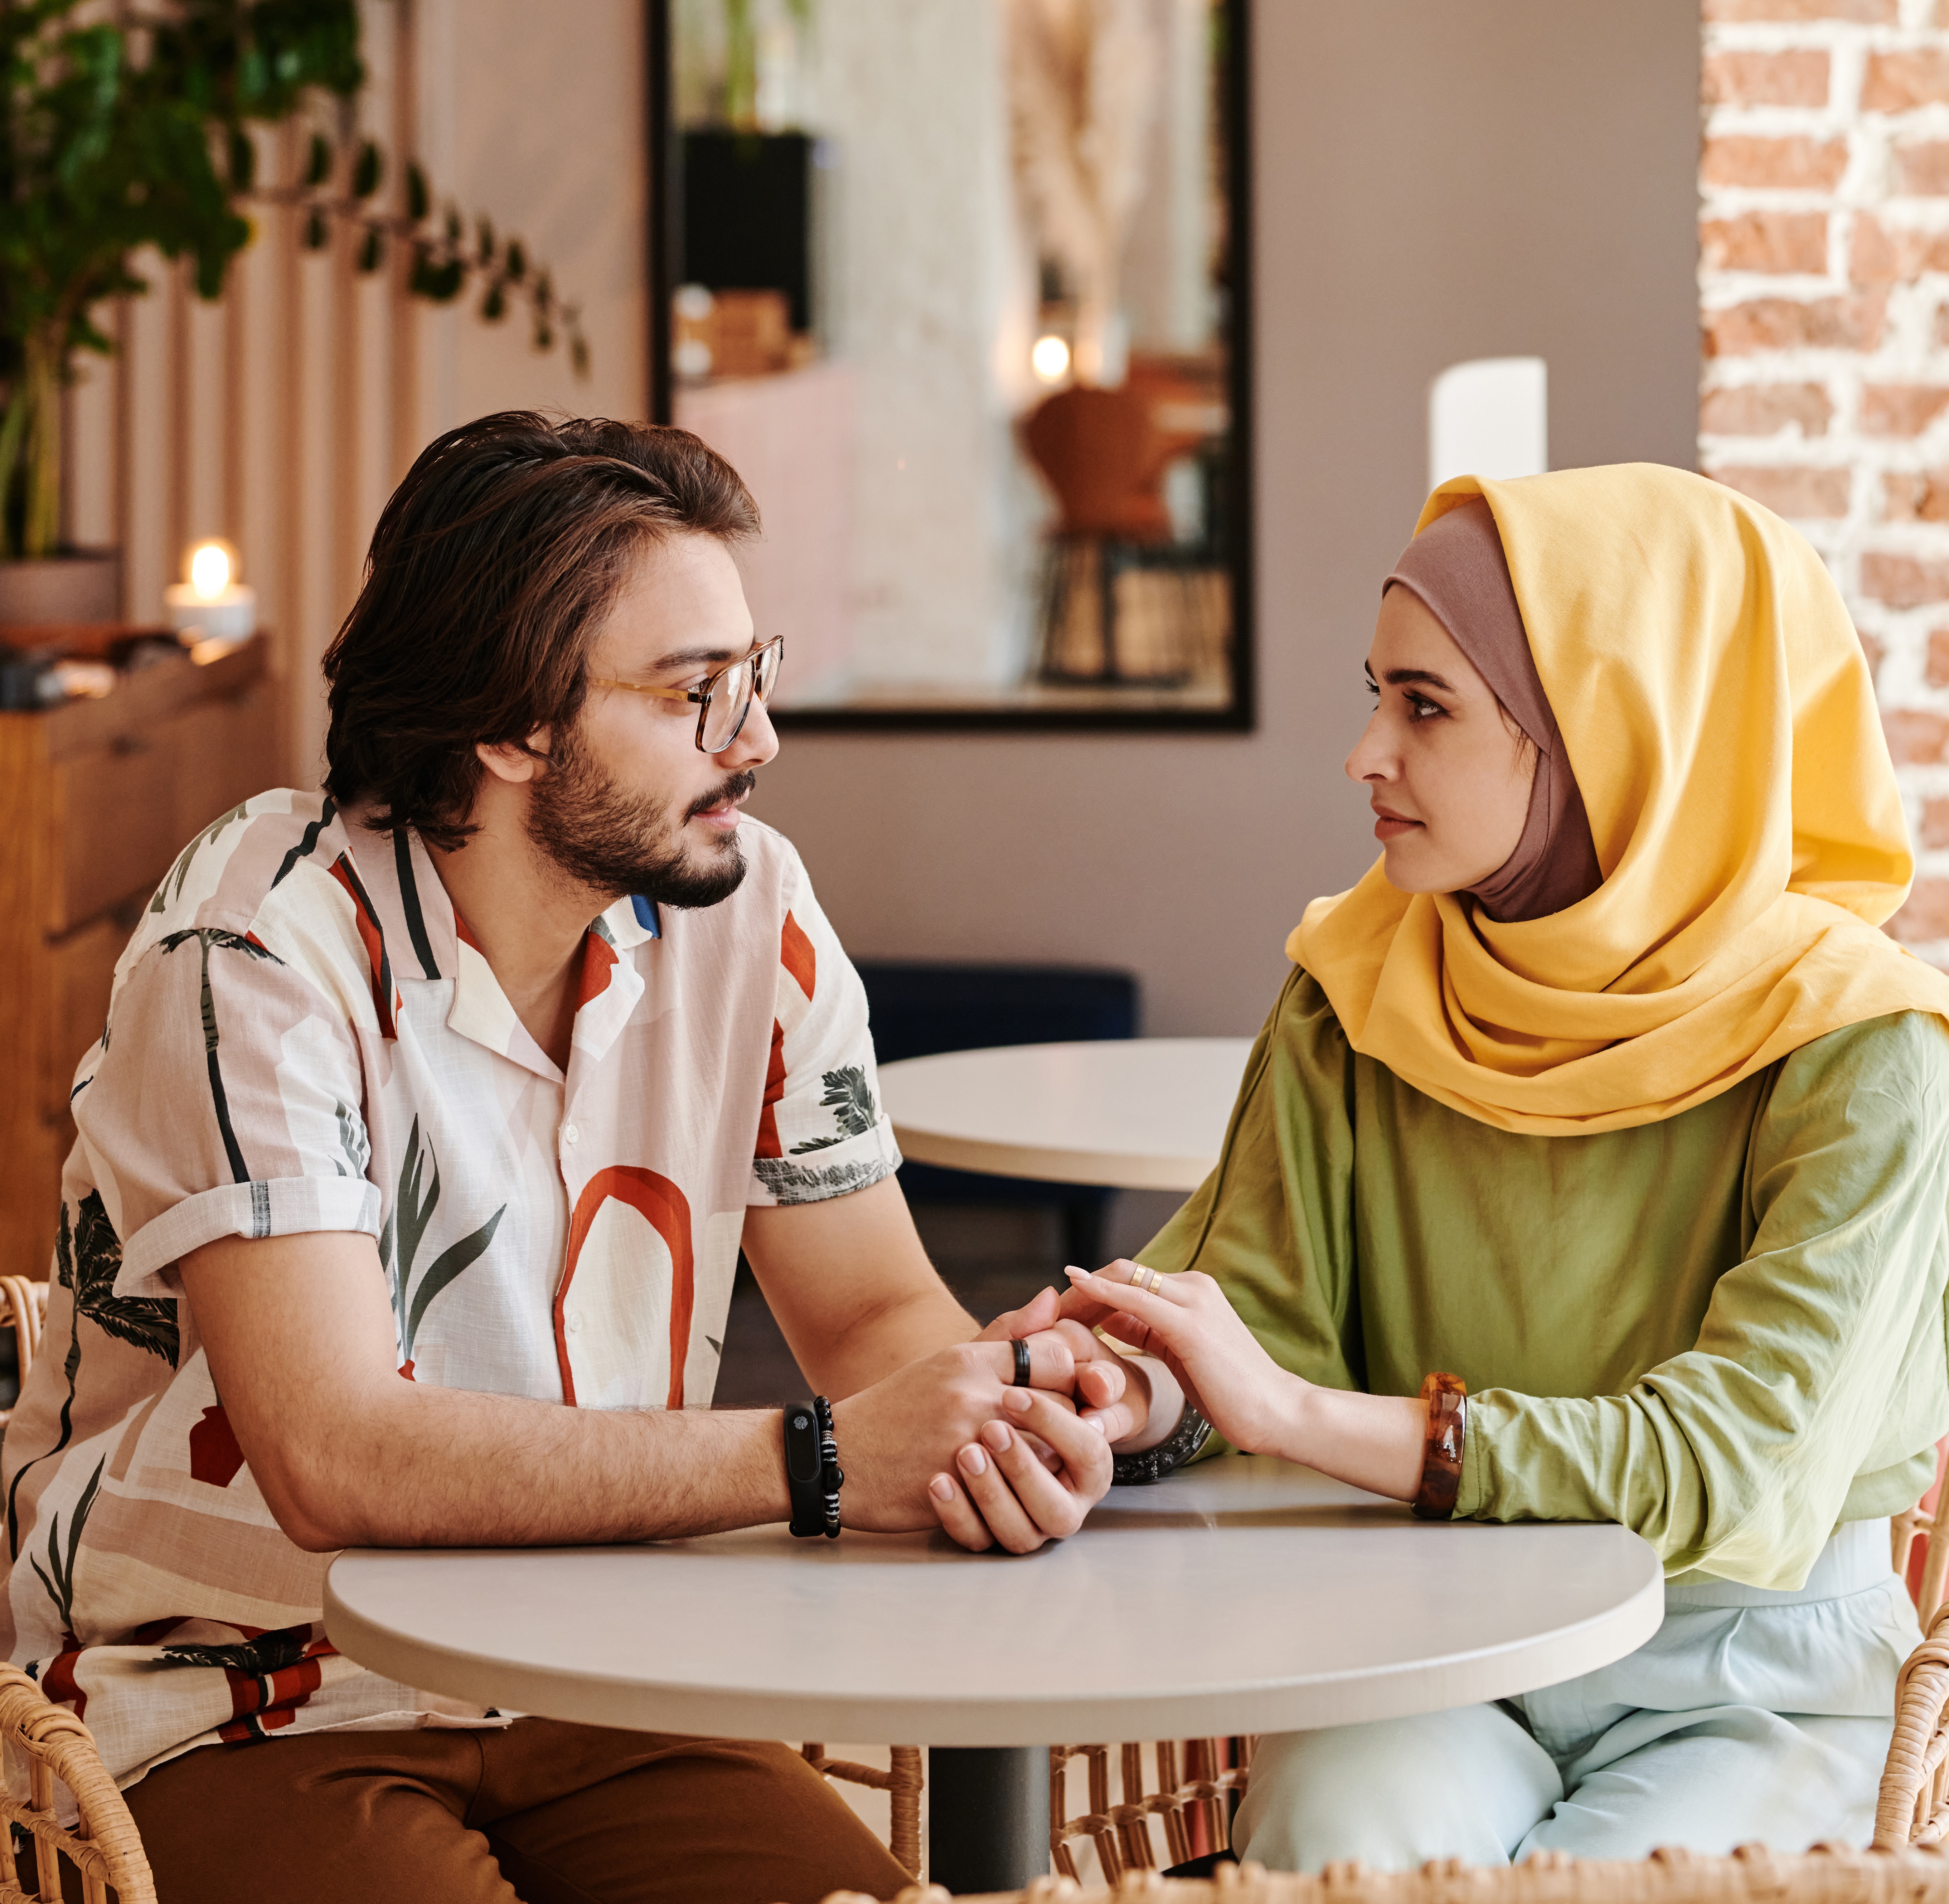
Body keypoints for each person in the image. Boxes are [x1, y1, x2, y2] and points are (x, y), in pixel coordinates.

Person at [0, 411, 1142, 1904]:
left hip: (609, 1663)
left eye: (755, 675)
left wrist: (1012, 1422)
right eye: (694, 693)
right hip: (243, 1694)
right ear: (511, 725)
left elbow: (872, 1317)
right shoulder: (253, 947)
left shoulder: (752, 911)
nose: (758, 740)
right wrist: (825, 1457)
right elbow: (333, 1452)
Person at [1059, 463, 1949, 1867]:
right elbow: (1255, 1306)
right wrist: (1128, 1380)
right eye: (1377, 693)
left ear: (1609, 735)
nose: (1362, 752)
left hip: (1750, 1670)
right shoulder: (1358, 983)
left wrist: (1306, 1416)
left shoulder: (1861, 1042)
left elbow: (1738, 1461)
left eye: (1426, 705)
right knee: (1337, 1843)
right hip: (1424, 1622)